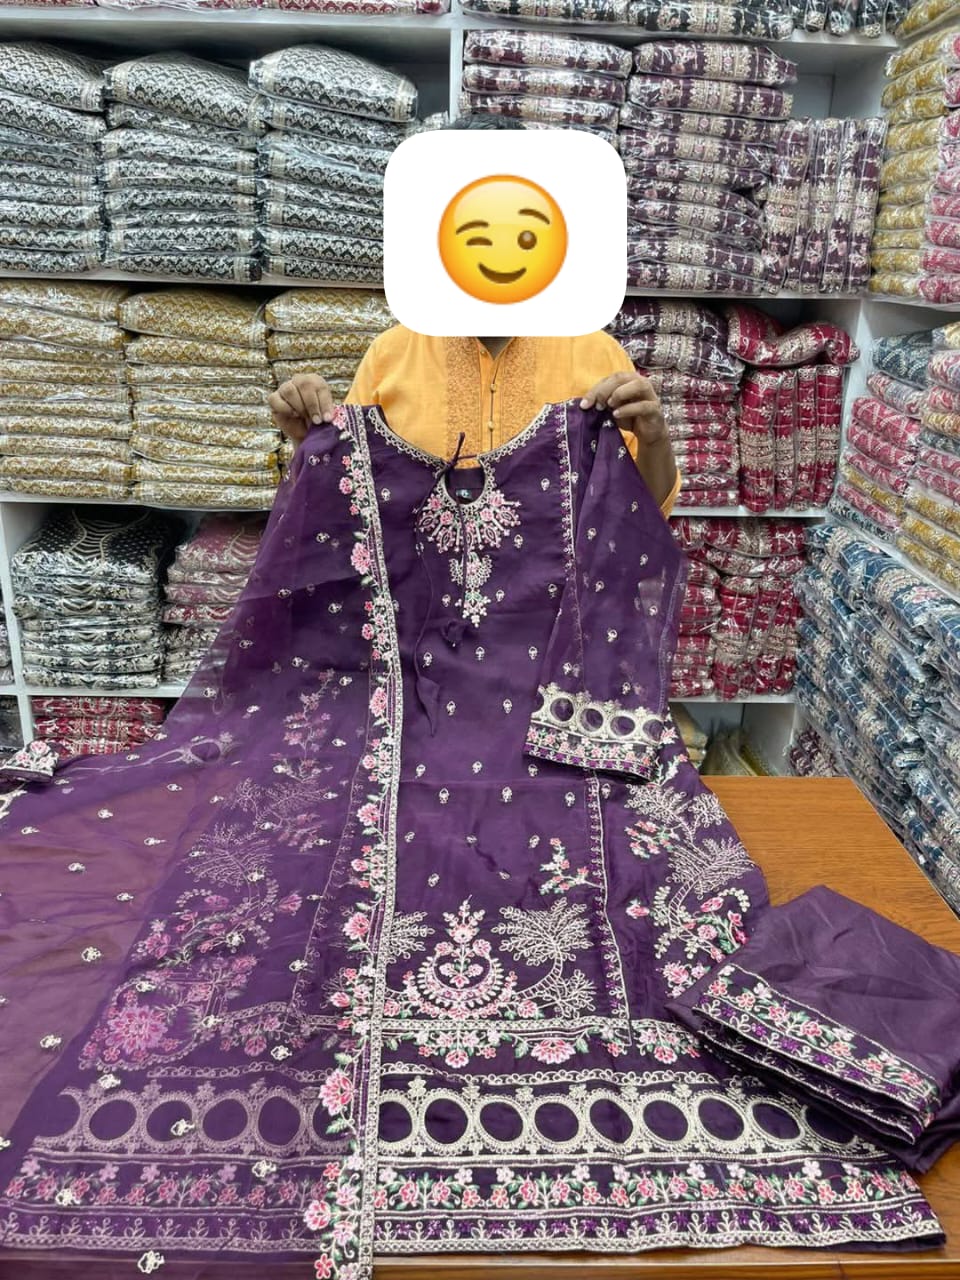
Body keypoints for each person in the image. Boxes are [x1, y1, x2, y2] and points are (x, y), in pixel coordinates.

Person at [269, 115, 680, 517]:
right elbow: (347, 504)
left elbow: (643, 515)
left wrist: (655, 440)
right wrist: (309, 439)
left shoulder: (597, 354)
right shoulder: (390, 356)